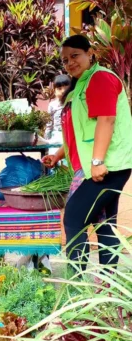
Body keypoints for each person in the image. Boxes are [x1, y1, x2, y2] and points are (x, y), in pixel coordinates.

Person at [42, 34, 132, 271]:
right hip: (94, 165)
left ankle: (76, 287)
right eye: (65, 60)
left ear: (90, 54)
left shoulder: (100, 78)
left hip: (108, 165)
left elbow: (107, 120)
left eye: (75, 55)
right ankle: (110, 289)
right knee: (104, 224)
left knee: (73, 218)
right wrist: (58, 155)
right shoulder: (78, 87)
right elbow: (79, 134)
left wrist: (97, 161)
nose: (70, 63)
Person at [44, 74, 71, 142]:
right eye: (59, 89)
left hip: (72, 134)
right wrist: (47, 137)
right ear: (54, 91)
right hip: (57, 135)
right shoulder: (52, 105)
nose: (63, 91)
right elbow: (49, 123)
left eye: (66, 88)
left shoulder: (75, 103)